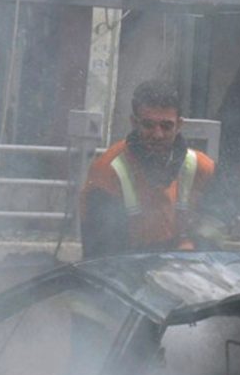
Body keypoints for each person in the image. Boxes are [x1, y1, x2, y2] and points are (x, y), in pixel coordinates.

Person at [79, 78, 218, 258]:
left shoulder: (203, 168)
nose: (158, 134)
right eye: (148, 125)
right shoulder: (106, 173)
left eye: (166, 126)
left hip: (188, 273)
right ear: (134, 123)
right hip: (128, 274)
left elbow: (219, 227)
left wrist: (193, 244)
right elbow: (102, 256)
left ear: (179, 125)